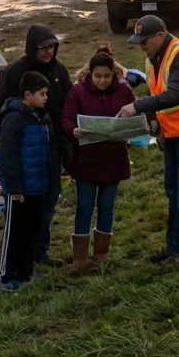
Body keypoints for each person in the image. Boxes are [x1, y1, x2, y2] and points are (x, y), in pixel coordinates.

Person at [117, 16, 179, 265]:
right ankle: (173, 246)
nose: (141, 46)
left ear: (161, 35)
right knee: (173, 191)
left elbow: (173, 95)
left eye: (145, 41)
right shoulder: (153, 58)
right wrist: (156, 128)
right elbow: (157, 93)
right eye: (138, 41)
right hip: (173, 132)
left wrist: (136, 106)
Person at [0, 24, 72, 265]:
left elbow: (67, 106)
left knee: (48, 201)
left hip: (52, 149)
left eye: (52, 47)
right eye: (43, 47)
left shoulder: (60, 71)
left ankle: (40, 252)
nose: (49, 52)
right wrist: (4, 144)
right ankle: (17, 257)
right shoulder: (15, 72)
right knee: (20, 206)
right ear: (31, 48)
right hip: (23, 152)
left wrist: (66, 143)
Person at [61, 46, 136, 274]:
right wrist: (73, 130)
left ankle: (102, 254)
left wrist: (130, 127)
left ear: (114, 73)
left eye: (107, 76)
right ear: (89, 74)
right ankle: (80, 258)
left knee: (107, 206)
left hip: (114, 158)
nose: (102, 81)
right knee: (84, 206)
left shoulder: (124, 91)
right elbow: (65, 119)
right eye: (97, 76)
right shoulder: (77, 92)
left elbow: (135, 112)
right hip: (86, 159)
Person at [0, 72, 58, 291]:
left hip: (38, 187)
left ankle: (26, 272)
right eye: (42, 94)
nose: (45, 98)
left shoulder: (43, 118)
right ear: (27, 94)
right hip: (20, 188)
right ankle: (7, 275)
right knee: (15, 232)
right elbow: (7, 155)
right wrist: (14, 187)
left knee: (32, 231)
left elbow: (49, 152)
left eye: (46, 93)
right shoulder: (13, 119)